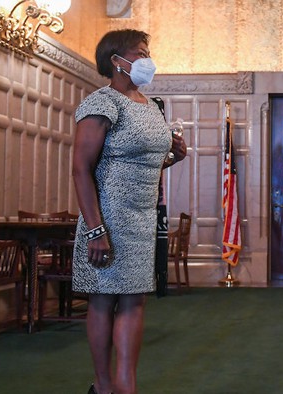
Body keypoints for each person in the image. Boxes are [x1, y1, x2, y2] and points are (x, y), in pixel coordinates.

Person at [72, 29, 187, 394]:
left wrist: (173, 157)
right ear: (116, 60)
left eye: (147, 51)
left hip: (141, 219)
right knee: (105, 300)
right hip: (106, 218)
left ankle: (126, 384)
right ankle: (104, 386)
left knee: (135, 300)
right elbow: (80, 168)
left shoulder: (150, 106)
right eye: (140, 52)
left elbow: (142, 164)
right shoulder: (102, 102)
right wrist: (95, 230)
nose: (147, 59)